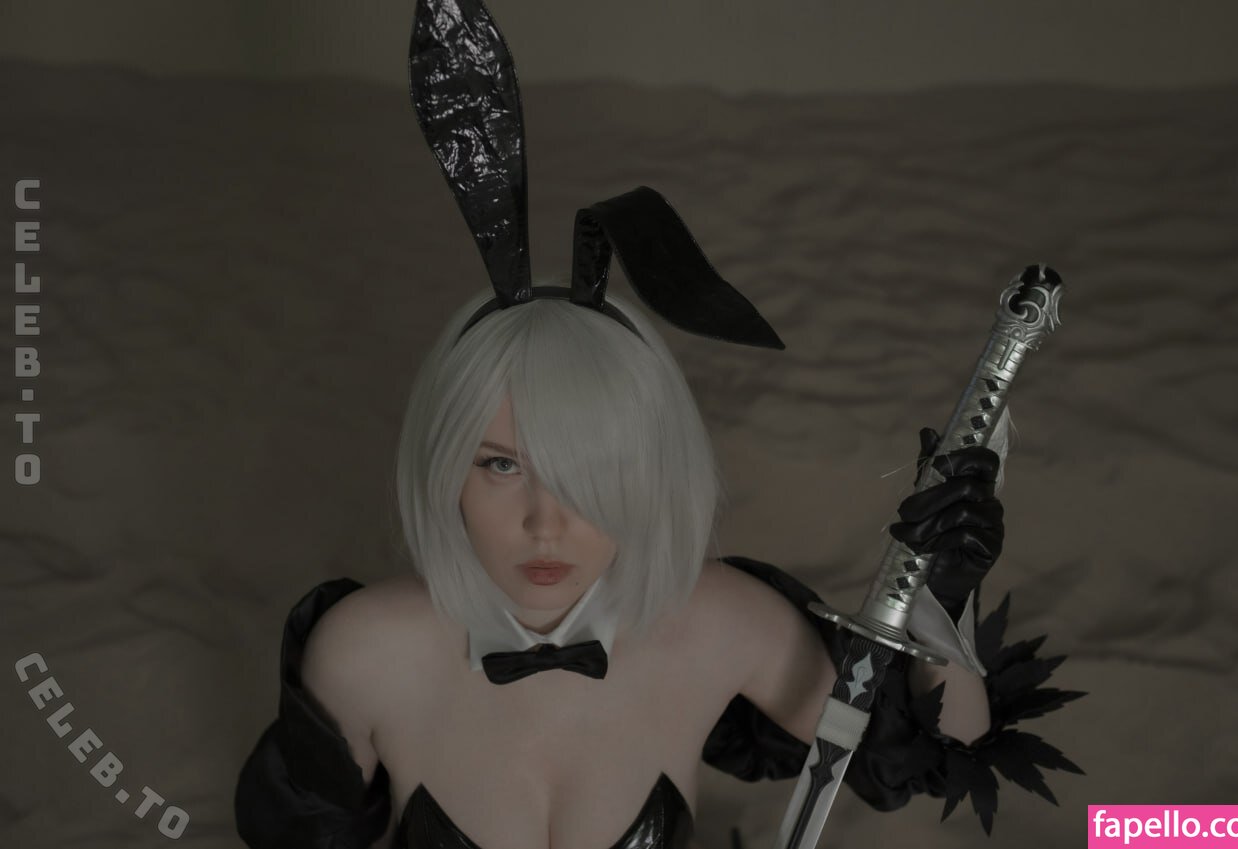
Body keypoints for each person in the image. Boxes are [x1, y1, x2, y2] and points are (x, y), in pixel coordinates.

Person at [234, 3, 1081, 847]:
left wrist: (938, 605)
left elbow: (923, 762)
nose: (545, 522)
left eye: (591, 471)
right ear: (440, 466)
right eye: (500, 465)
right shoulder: (366, 652)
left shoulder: (717, 623)